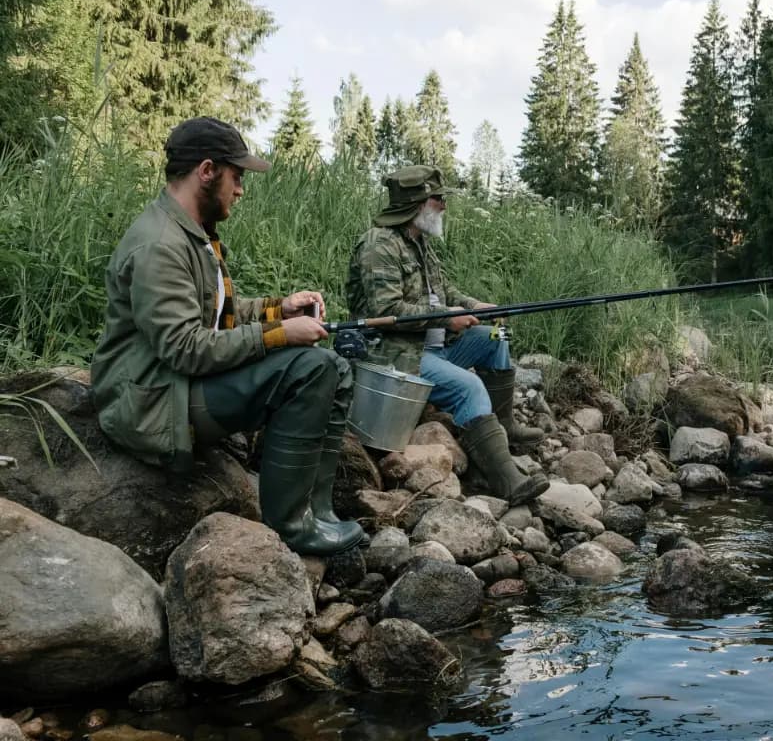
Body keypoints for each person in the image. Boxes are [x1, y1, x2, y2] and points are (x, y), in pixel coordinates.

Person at [91, 116, 366, 556]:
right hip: (154, 402)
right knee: (311, 369)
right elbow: (186, 349)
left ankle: (319, 509)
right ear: (206, 171)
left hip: (179, 385)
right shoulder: (160, 245)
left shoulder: (192, 235)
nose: (240, 189)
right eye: (236, 177)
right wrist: (279, 334)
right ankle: (291, 528)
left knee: (335, 367)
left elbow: (215, 315)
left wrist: (281, 308)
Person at [346, 165, 549, 506]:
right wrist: (443, 318)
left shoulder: (419, 241)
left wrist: (477, 306)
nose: (443, 205)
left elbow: (445, 293)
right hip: (398, 357)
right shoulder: (379, 245)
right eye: (438, 199)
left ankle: (503, 427)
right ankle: (504, 480)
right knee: (471, 387)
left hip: (436, 350)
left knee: (496, 336)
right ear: (418, 203)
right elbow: (384, 312)